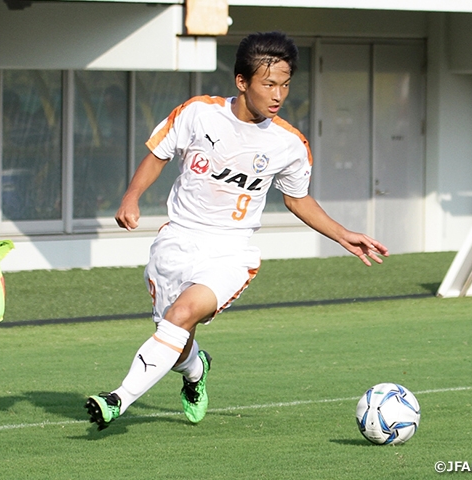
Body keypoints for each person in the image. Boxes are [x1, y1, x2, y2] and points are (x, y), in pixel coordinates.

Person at [85, 31, 389, 430]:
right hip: (176, 240)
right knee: (175, 338)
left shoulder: (289, 144)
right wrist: (131, 197)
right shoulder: (198, 113)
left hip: (231, 251)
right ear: (242, 82)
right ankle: (196, 369)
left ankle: (116, 400)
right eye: (268, 83)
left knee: (181, 316)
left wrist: (342, 233)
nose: (278, 94)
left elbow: (298, 199)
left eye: (285, 84)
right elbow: (158, 156)